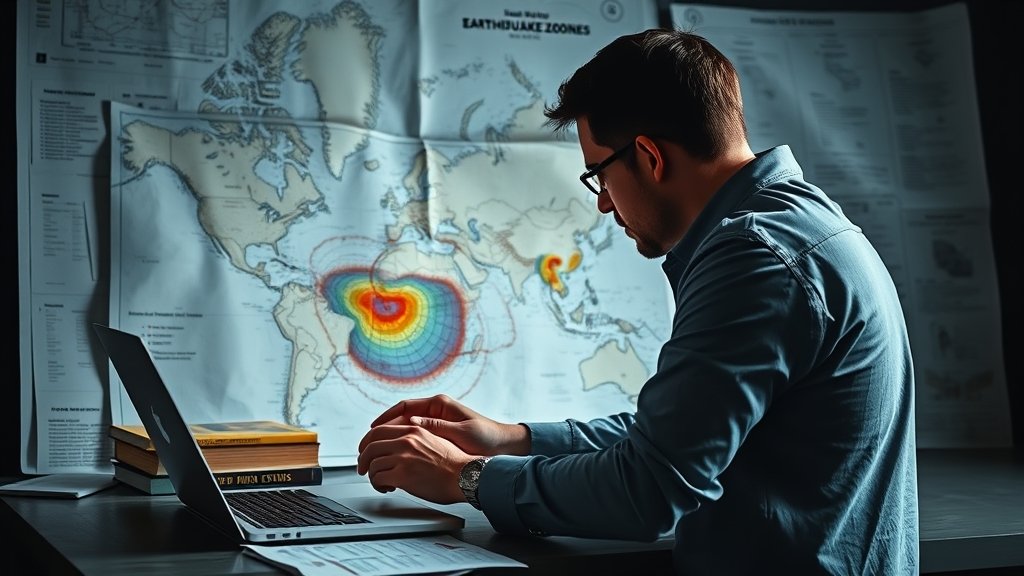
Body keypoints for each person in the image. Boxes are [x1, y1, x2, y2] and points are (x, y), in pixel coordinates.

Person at [356, 28, 919, 574]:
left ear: (649, 156)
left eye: (599, 174)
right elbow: (686, 433)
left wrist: (467, 477)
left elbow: (648, 488)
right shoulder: (801, 224)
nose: (603, 204)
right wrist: (511, 439)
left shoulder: (755, 257)